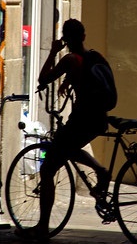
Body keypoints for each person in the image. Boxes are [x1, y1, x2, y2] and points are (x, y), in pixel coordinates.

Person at [15, 19, 111, 240]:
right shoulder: (93, 56)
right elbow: (87, 78)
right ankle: (100, 170)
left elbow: (43, 78)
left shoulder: (69, 59)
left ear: (65, 40)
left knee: (48, 169)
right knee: (66, 147)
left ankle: (42, 227)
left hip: (82, 120)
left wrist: (52, 52)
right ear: (84, 36)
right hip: (98, 119)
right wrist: (69, 81)